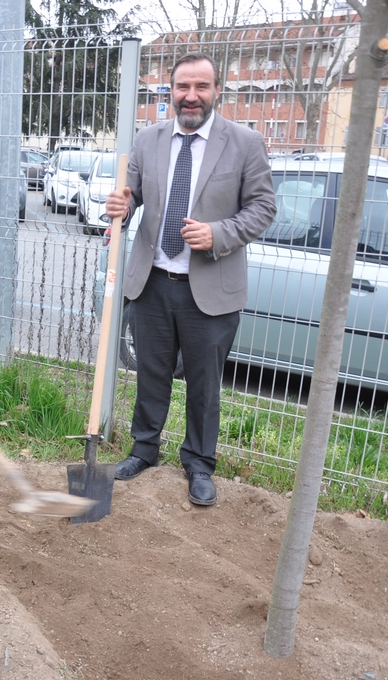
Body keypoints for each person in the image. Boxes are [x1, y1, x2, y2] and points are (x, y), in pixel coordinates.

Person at [104, 52, 276, 506]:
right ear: (171, 91)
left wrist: (218, 233)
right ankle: (144, 449)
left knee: (204, 383)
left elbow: (263, 208)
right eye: (183, 87)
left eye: (201, 87)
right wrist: (123, 205)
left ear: (217, 90)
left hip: (211, 287)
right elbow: (134, 193)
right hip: (153, 281)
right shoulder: (149, 139)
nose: (191, 96)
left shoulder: (244, 143)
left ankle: (199, 463)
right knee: (151, 373)